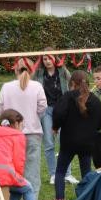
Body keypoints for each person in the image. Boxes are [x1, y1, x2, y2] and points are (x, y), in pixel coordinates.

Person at [51, 70, 101, 200]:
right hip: (88, 143)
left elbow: (58, 113)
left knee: (60, 171)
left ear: (72, 83)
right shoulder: (95, 100)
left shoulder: (67, 97)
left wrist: (55, 127)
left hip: (69, 141)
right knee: (86, 171)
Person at [0, 58, 47, 197]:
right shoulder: (37, 86)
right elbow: (43, 107)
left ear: (15, 69)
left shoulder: (6, 87)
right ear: (32, 70)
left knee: (11, 172)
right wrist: (33, 116)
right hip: (32, 132)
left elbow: (0, 111)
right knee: (32, 173)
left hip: (10, 135)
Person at [34, 52, 76, 186]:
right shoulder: (39, 73)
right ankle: (53, 174)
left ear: (55, 59)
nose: (47, 61)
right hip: (46, 110)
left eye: (50, 58)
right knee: (49, 143)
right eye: (44, 59)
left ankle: (67, 174)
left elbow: (72, 84)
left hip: (62, 109)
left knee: (64, 141)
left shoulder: (62, 71)